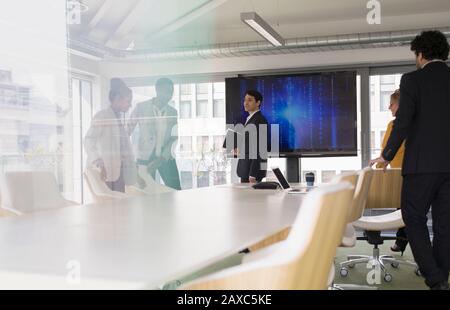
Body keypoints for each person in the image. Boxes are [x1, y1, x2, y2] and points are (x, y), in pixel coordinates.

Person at [370, 30, 450, 290]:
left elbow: (403, 122)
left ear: (421, 54)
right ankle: (440, 278)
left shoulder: (412, 80)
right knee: (444, 225)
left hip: (421, 167)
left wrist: (386, 155)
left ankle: (435, 278)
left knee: (413, 219)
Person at [84, 78, 136, 193]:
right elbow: (88, 141)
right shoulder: (102, 116)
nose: (130, 105)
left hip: (118, 173)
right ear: (118, 99)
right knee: (108, 207)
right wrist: (99, 163)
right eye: (128, 101)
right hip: (105, 172)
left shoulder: (118, 118)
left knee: (121, 207)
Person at [128, 78, 181, 190]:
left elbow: (174, 138)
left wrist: (161, 159)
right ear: (157, 90)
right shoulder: (141, 107)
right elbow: (127, 131)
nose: (169, 95)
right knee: (146, 191)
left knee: (176, 190)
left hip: (165, 156)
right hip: (145, 157)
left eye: (171, 92)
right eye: (166, 91)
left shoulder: (173, 112)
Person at [377, 89, 408, 254]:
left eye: (392, 104)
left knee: (405, 213)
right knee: (404, 212)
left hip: (404, 177)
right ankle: (401, 243)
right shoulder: (397, 124)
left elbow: (387, 150)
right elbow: (386, 152)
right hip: (401, 176)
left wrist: (376, 170)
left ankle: (402, 243)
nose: (389, 107)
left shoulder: (396, 125)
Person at [235, 90, 269, 183]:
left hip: (251, 173)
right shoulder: (251, 119)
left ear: (258, 103)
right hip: (246, 170)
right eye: (245, 100)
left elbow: (261, 148)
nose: (246, 103)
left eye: (249, 100)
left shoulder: (259, 120)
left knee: (251, 198)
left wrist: (253, 173)